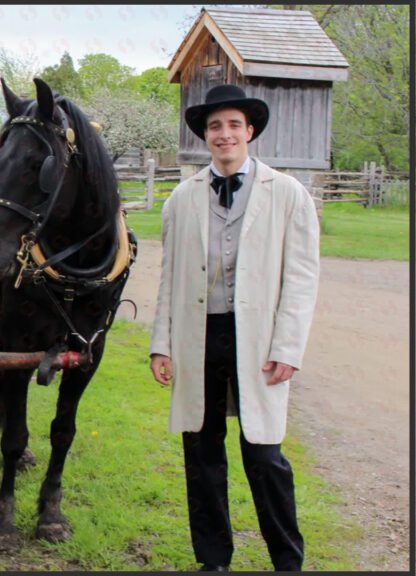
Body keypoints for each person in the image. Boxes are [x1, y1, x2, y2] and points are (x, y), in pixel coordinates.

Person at [149, 84, 320, 572]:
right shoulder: (181, 199)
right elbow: (170, 279)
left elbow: (302, 278)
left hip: (259, 342)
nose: (224, 135)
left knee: (264, 457)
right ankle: (213, 560)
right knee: (201, 455)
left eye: (233, 125)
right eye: (214, 126)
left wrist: (288, 346)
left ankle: (287, 561)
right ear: (206, 135)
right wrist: (161, 344)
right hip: (197, 337)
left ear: (250, 132)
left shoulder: (287, 194)